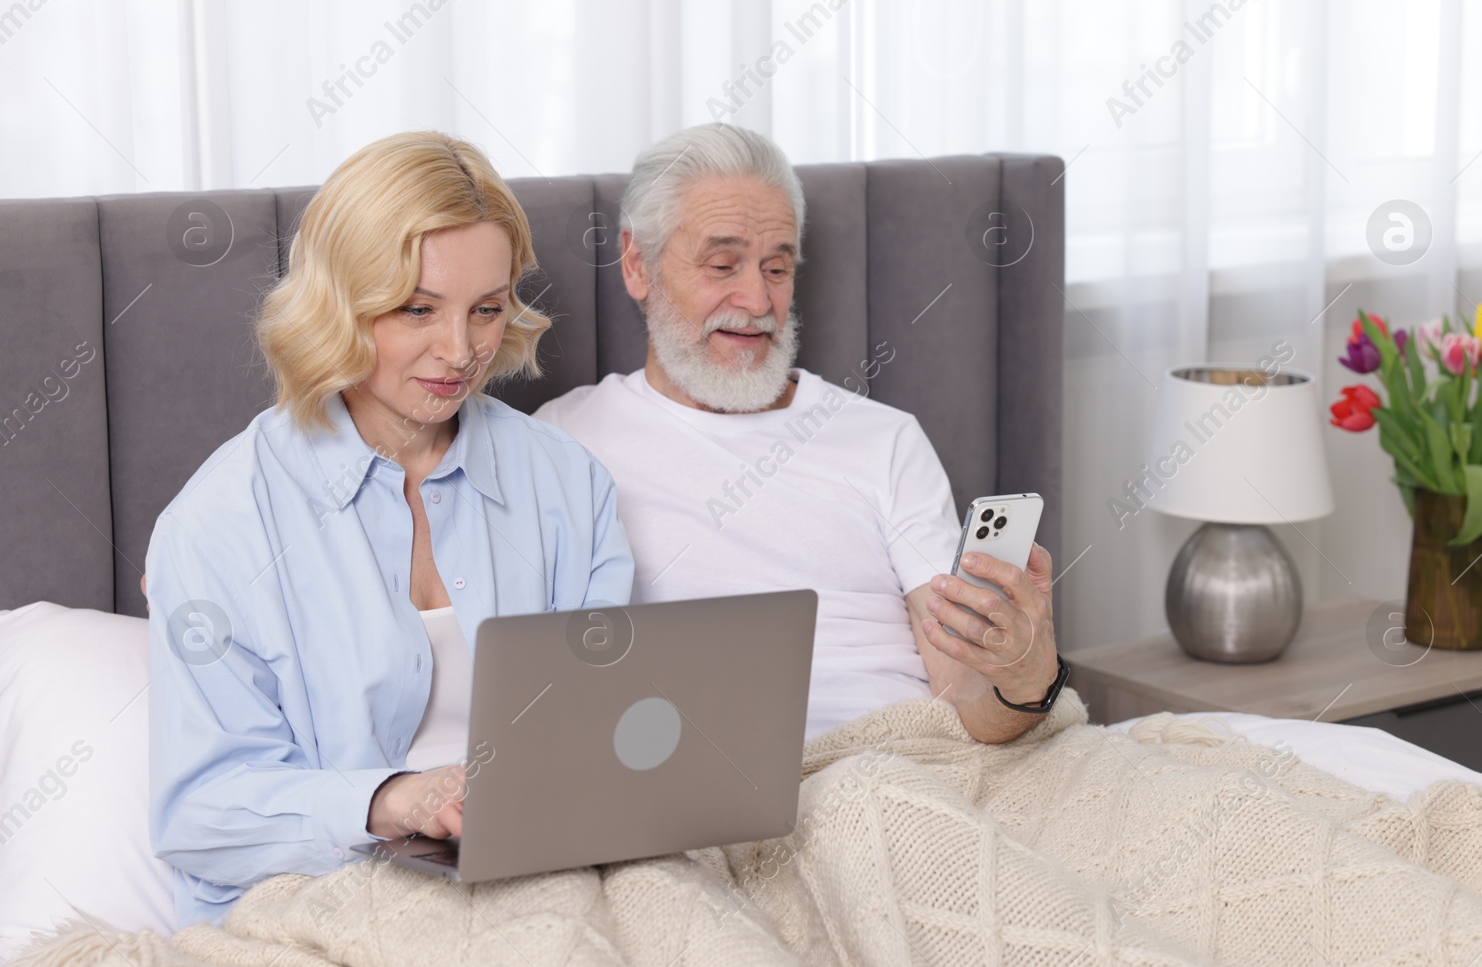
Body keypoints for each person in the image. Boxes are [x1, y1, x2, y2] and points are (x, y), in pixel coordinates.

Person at [143, 132, 633, 926]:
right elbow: (201, 811)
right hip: (319, 898)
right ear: (338, 301)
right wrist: (391, 800)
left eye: (486, 309)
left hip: (539, 876)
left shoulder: (565, 482)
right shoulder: (220, 523)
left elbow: (603, 722)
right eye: (416, 308)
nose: (462, 350)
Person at [535, 123, 1064, 746]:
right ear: (636, 264)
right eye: (723, 263)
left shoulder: (884, 439)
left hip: (911, 752)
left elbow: (970, 702)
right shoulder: (564, 440)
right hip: (715, 778)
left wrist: (1026, 680)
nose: (757, 299)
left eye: (778, 268)